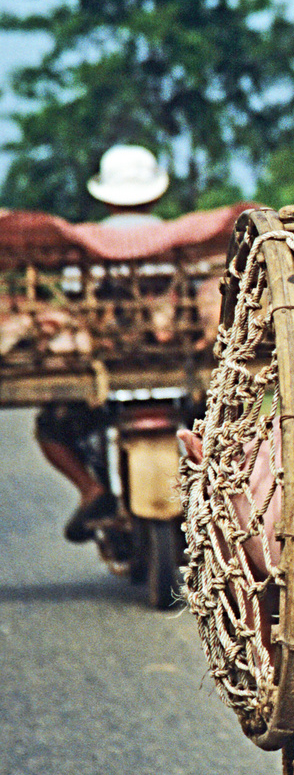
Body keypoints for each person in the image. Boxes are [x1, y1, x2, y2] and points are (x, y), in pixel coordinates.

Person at [39, 144, 169, 545]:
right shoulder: (173, 238)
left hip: (106, 366)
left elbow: (74, 299)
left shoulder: (88, 242)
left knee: (50, 428)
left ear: (106, 195)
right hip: (171, 363)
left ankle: (92, 491)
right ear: (155, 194)